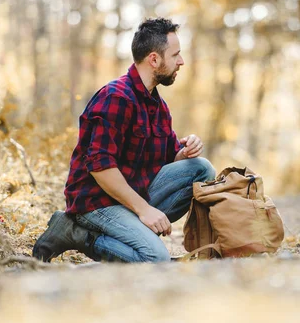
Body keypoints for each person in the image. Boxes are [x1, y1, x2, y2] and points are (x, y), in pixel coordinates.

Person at [33, 18, 215, 262]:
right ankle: (74, 233)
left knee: (201, 169)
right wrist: (144, 210)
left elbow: (168, 159)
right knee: (156, 260)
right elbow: (100, 168)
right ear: (154, 59)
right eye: (176, 55)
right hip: (97, 203)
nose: (181, 61)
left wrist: (186, 151)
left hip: (132, 194)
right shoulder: (116, 98)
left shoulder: (158, 105)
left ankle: (133, 237)